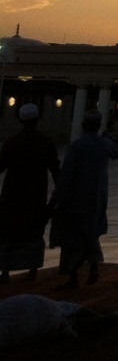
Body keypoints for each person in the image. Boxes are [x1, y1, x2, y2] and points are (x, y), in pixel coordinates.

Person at [48, 113, 118, 290]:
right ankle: (93, 267)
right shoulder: (104, 145)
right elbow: (117, 152)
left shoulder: (76, 146)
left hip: (75, 198)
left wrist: (54, 201)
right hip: (97, 197)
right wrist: (109, 137)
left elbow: (66, 176)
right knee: (90, 233)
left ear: (82, 125)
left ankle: (73, 277)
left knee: (71, 237)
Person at [0, 104, 61, 283]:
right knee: (33, 232)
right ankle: (32, 270)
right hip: (35, 195)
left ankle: (5, 271)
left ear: (21, 120)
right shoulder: (45, 142)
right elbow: (56, 170)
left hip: (12, 196)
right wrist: (58, 197)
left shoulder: (12, 142)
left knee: (9, 233)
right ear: (37, 120)